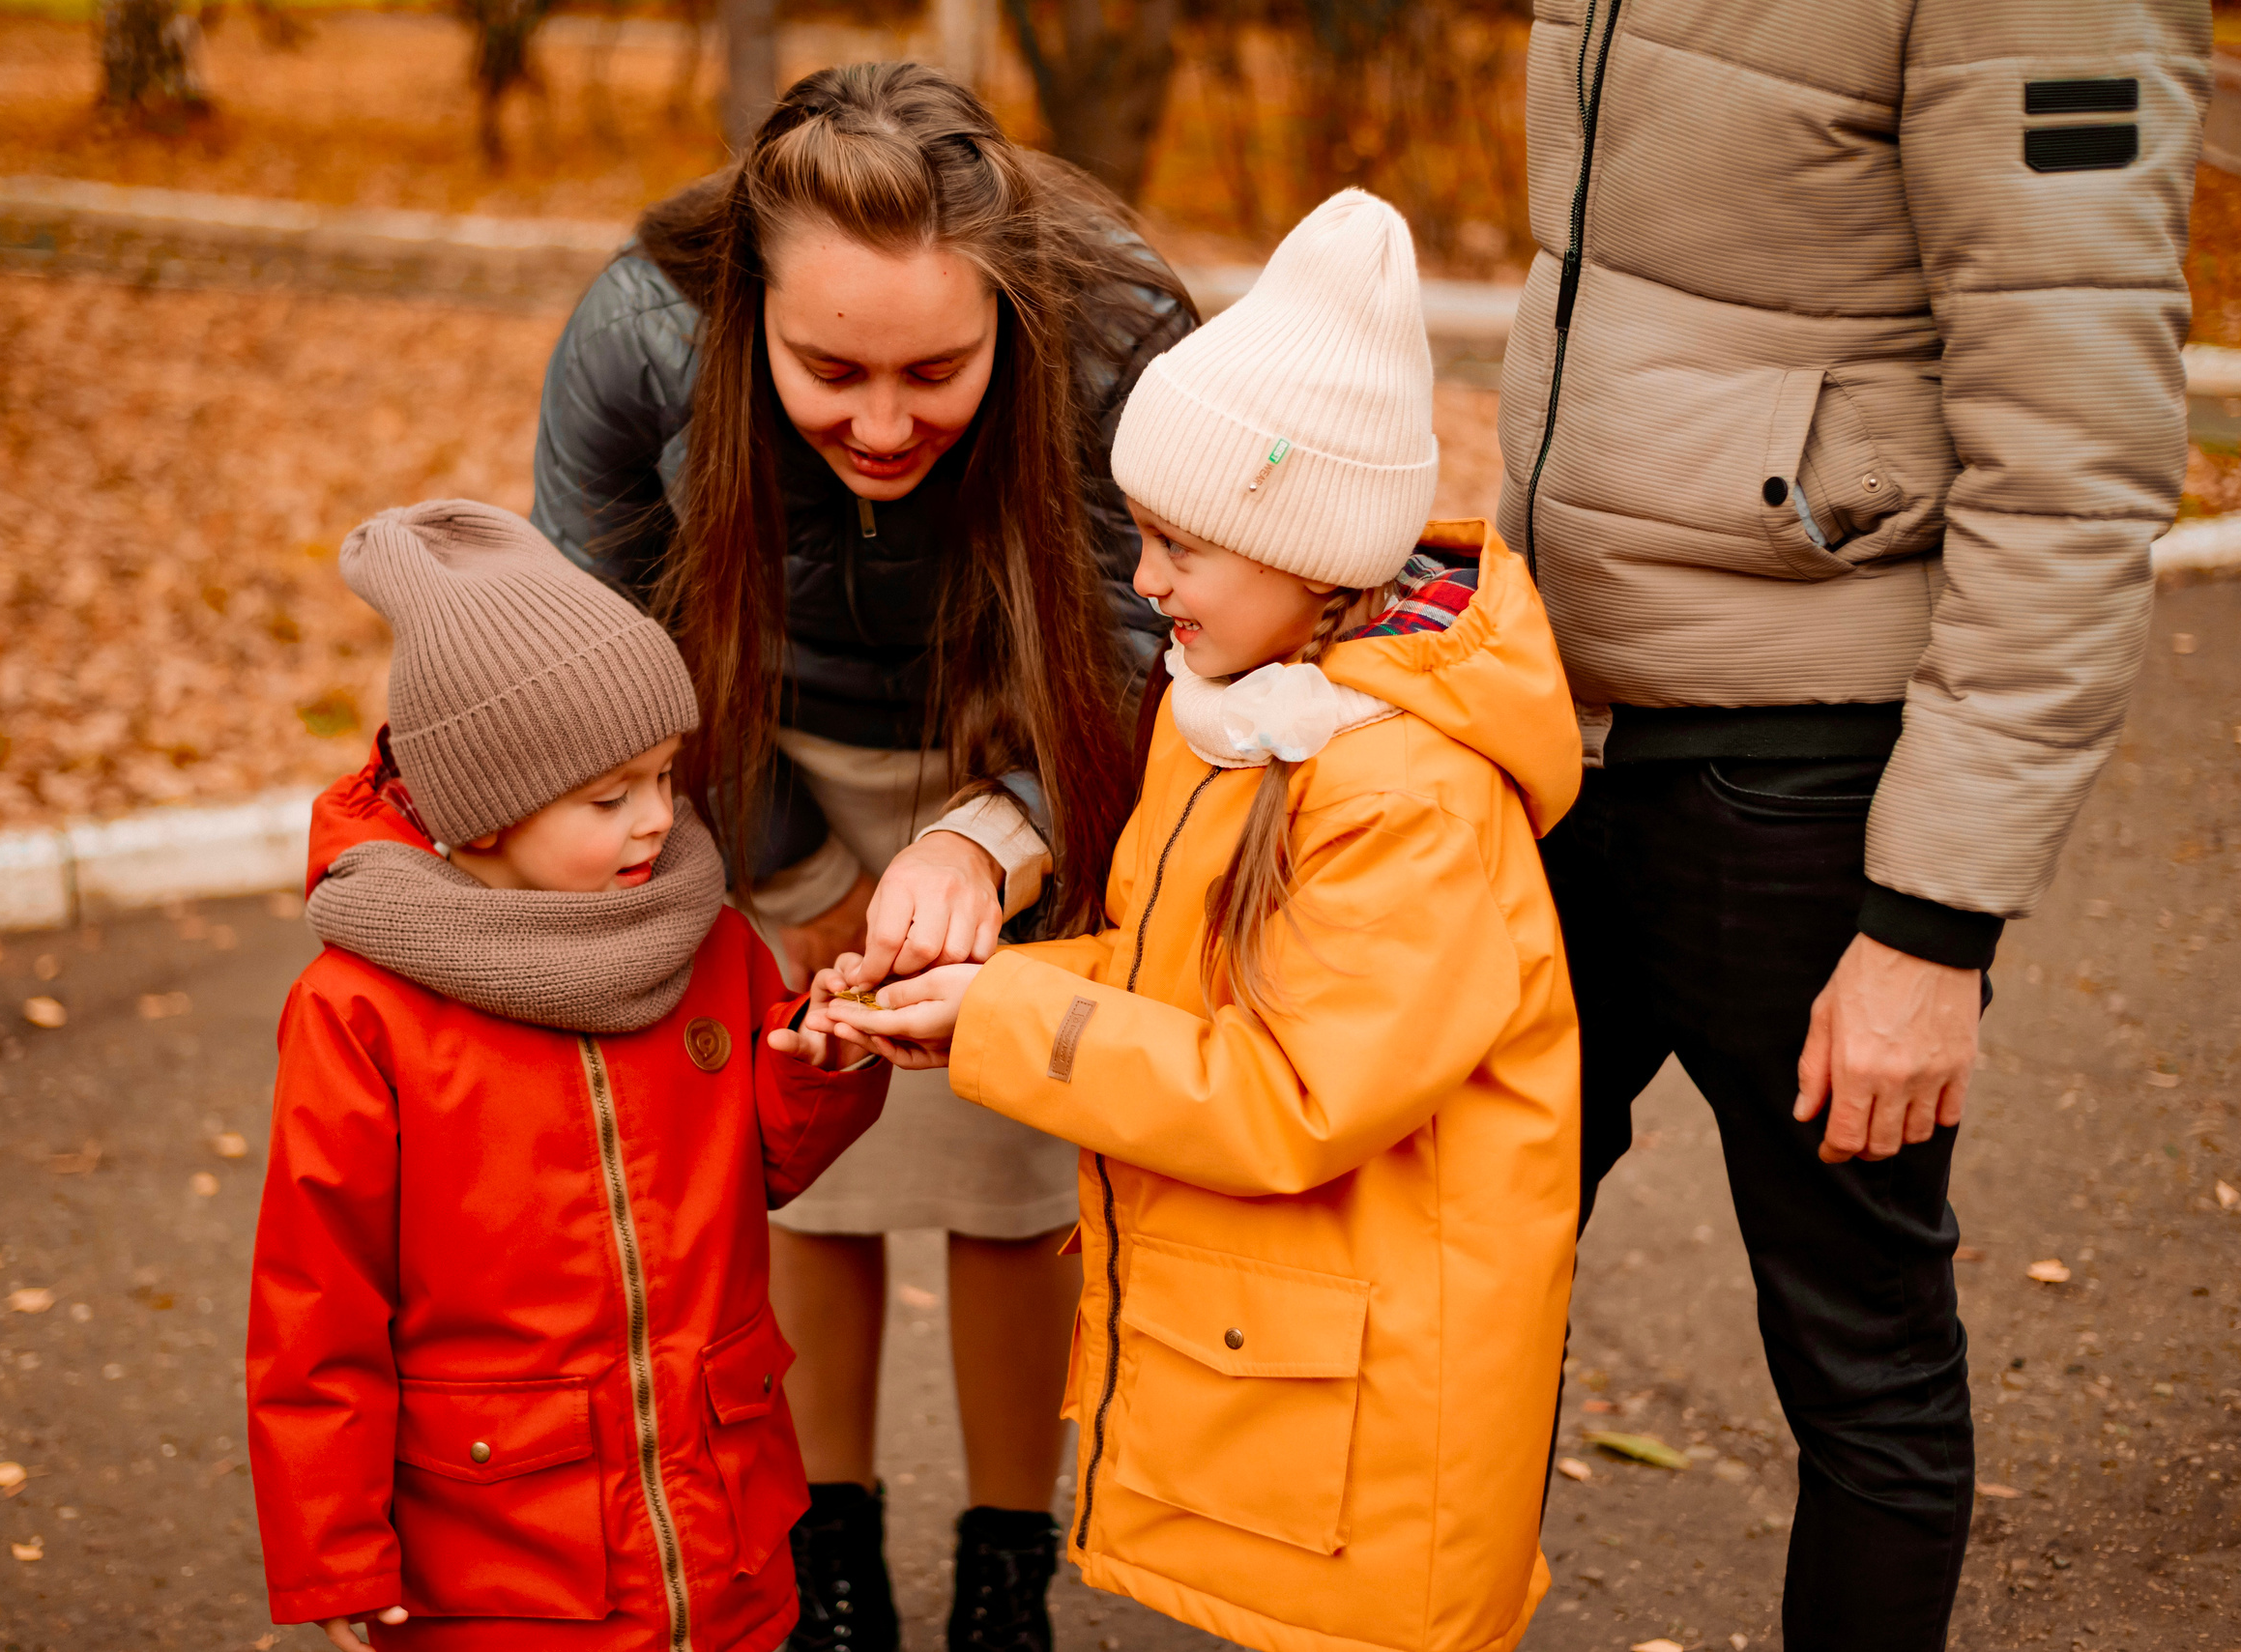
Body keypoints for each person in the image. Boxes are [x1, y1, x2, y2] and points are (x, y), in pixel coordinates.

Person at [1496, 4, 2211, 1647]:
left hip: (1806, 786)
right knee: (1447, 1263)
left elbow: (2077, 468)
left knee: (1858, 1354)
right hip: (1556, 728)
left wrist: (1932, 922)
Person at [826, 192, 1584, 1652]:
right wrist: (978, 993)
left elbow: (1289, 1092)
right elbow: (1185, 983)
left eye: (1180, 544)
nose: (1143, 578)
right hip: (1301, 1363)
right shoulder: (1243, 712)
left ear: (1312, 553)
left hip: (1382, 1393)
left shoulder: (1400, 794)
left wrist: (1007, 1017)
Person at [528, 61, 1196, 1652]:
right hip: (739, 753)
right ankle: (826, 1546)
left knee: (1009, 1172)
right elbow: (600, 643)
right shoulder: (638, 335)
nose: (882, 424)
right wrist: (786, 861)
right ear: (745, 303)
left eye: (938, 370)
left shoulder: (1119, 338)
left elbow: (1139, 640)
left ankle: (1006, 1559)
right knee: (799, 1169)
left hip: (1035, 749)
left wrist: (998, 830)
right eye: (829, 368)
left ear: (1010, 314)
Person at [246, 501, 890, 1651]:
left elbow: (767, 1168)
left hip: (722, 1521)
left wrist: (817, 1066)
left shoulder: (707, 942)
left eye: (664, 774)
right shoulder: (361, 1012)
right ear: (482, 815)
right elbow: (316, 1303)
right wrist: (332, 1548)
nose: (660, 818)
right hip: (504, 1563)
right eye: (609, 797)